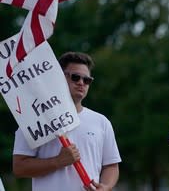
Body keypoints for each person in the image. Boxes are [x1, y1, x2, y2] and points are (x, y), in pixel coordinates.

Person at [12, 52, 121, 191]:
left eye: (87, 80)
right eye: (75, 77)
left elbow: (111, 166)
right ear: (59, 77)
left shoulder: (101, 122)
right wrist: (57, 162)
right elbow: (19, 167)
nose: (81, 83)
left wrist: (105, 186)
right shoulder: (34, 118)